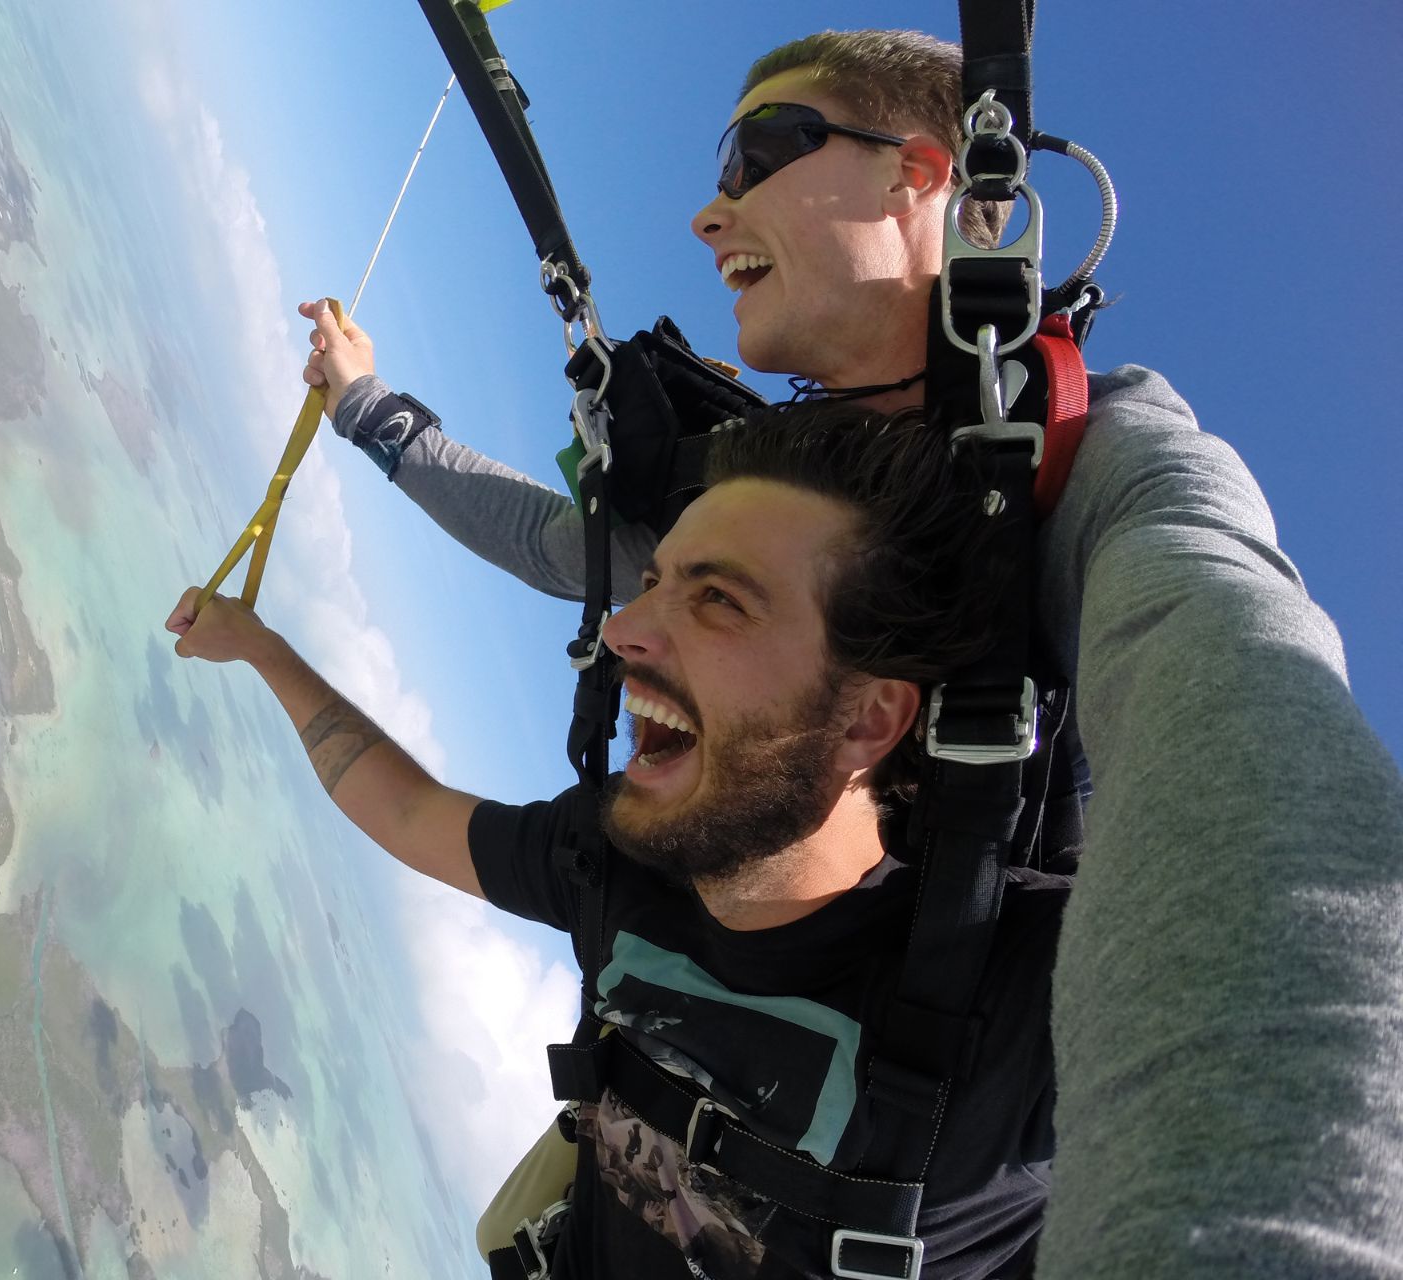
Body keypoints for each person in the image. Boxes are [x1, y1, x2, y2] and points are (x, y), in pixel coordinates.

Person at [296, 28, 1403, 1280]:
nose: (712, 214)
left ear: (921, 175)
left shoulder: (1096, 465)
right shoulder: (771, 490)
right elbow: (572, 550)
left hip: (942, 1136)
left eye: (760, 152)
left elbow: (1239, 719)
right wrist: (368, 409)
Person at [170, 405, 1068, 1277]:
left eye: (718, 599)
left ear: (870, 719)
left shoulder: (1028, 1004)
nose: (620, 633)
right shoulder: (622, 857)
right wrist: (260, 649)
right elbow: (412, 815)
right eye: (654, 583)